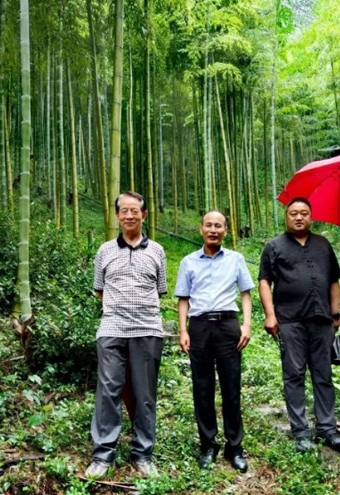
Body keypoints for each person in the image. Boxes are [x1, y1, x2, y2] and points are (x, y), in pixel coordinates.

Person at [86, 191, 167, 479]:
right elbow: (100, 290)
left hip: (147, 329)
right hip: (111, 330)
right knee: (108, 392)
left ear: (144, 215)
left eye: (135, 211)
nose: (130, 216)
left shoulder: (157, 250)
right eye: (124, 211)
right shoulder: (105, 250)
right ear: (117, 215)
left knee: (145, 395)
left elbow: (159, 291)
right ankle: (103, 455)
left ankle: (143, 454)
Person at [258, 198, 340, 454]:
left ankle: (327, 429)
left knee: (323, 375)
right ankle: (300, 432)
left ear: (311, 217)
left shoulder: (322, 244)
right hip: (289, 320)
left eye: (304, 213)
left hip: (321, 320)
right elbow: (264, 281)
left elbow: (333, 280)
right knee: (294, 375)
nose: (299, 217)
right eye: (294, 213)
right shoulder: (273, 246)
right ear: (286, 217)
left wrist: (336, 312)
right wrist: (270, 314)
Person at [175, 211, 254, 473]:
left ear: (225, 230)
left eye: (218, 226)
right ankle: (208, 445)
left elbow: (245, 293)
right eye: (208, 225)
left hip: (227, 325)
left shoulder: (236, 259)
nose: (213, 230)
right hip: (199, 327)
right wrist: (183, 330)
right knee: (202, 388)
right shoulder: (188, 262)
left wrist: (246, 325)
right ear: (201, 229)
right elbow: (183, 298)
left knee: (232, 388)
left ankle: (235, 447)